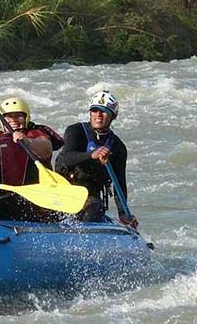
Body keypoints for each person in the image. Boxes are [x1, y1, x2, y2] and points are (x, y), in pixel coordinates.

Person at [0, 93, 63, 220]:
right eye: (9, 117)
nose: (14, 121)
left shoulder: (35, 134)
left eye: (18, 116)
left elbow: (46, 149)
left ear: (26, 117)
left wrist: (28, 141)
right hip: (2, 196)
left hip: (31, 196)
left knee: (6, 206)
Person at [54, 91, 138, 228]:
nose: (98, 115)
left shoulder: (117, 147)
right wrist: (91, 155)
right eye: (95, 110)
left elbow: (119, 183)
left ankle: (81, 237)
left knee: (95, 210)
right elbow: (67, 158)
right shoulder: (75, 131)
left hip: (89, 194)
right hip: (63, 187)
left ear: (113, 116)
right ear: (90, 113)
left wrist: (123, 214)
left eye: (104, 111)